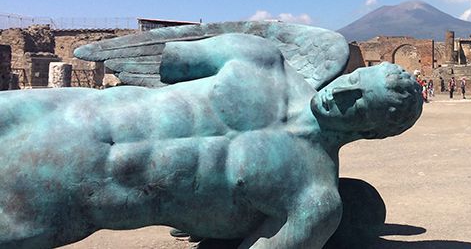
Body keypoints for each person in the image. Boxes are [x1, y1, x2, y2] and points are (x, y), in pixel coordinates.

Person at [0, 25, 424, 249]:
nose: (341, 92)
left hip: (64, 206)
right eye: (354, 79)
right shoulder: (259, 59)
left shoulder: (312, 201)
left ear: (371, 131)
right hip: (47, 114)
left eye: (359, 104)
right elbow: (168, 63)